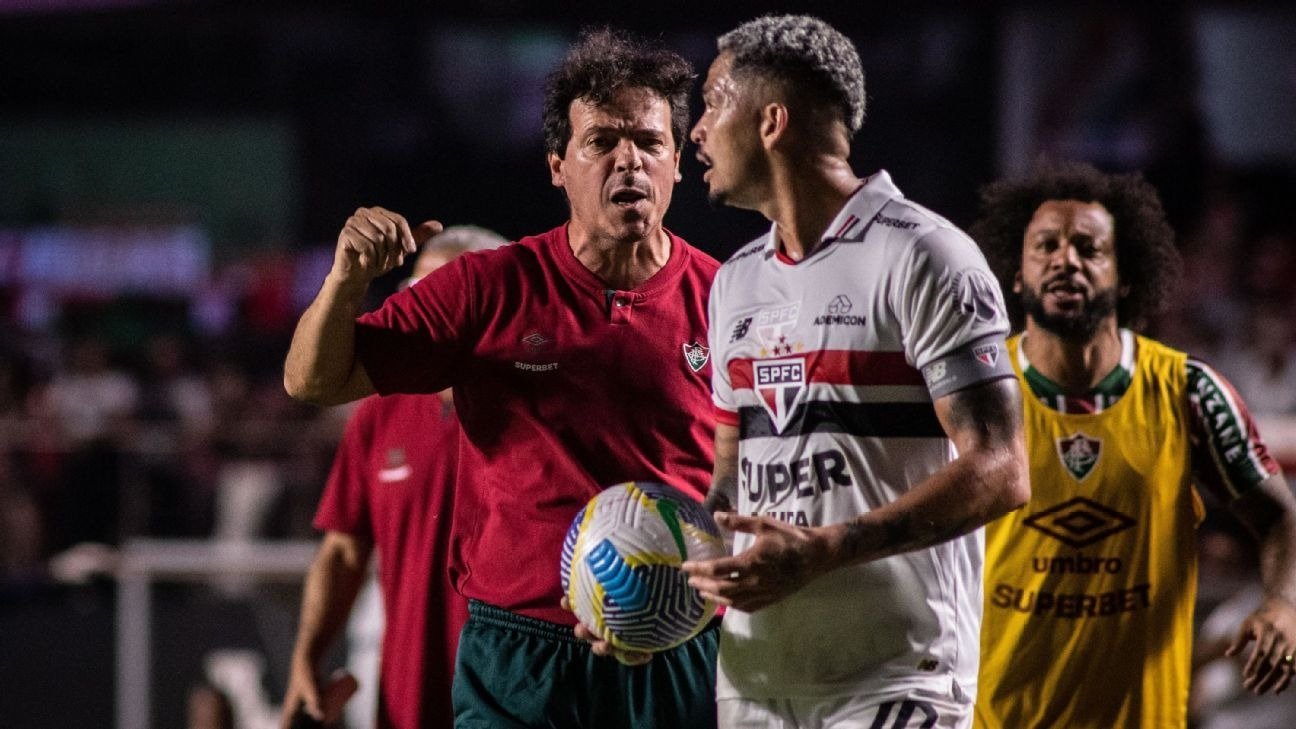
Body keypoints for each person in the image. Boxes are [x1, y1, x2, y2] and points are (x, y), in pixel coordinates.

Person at [282, 28, 721, 729]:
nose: (628, 160)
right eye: (601, 142)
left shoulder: (729, 300)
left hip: (678, 645)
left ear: (676, 163)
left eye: (649, 141)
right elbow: (313, 379)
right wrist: (344, 282)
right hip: (523, 650)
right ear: (557, 164)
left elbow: (760, 473)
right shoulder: (487, 287)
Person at [680, 14, 1030, 728]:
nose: (697, 131)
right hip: (756, 680)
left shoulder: (927, 255)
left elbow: (1002, 465)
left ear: (771, 120)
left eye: (713, 103)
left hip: (895, 677)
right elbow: (726, 483)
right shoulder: (734, 282)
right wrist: (650, 592)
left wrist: (830, 548)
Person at [969, 160, 1296, 728]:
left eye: (1088, 248)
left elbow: (1279, 518)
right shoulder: (976, 393)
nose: (1065, 260)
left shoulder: (1188, 391)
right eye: (1045, 245)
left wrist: (1283, 603)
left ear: (1125, 275)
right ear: (1016, 274)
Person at [280, 226, 506, 729]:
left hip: (519, 698)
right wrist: (306, 659)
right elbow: (343, 551)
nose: (431, 315)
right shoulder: (380, 413)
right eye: (420, 298)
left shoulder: (542, 407)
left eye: (449, 299)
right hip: (407, 700)